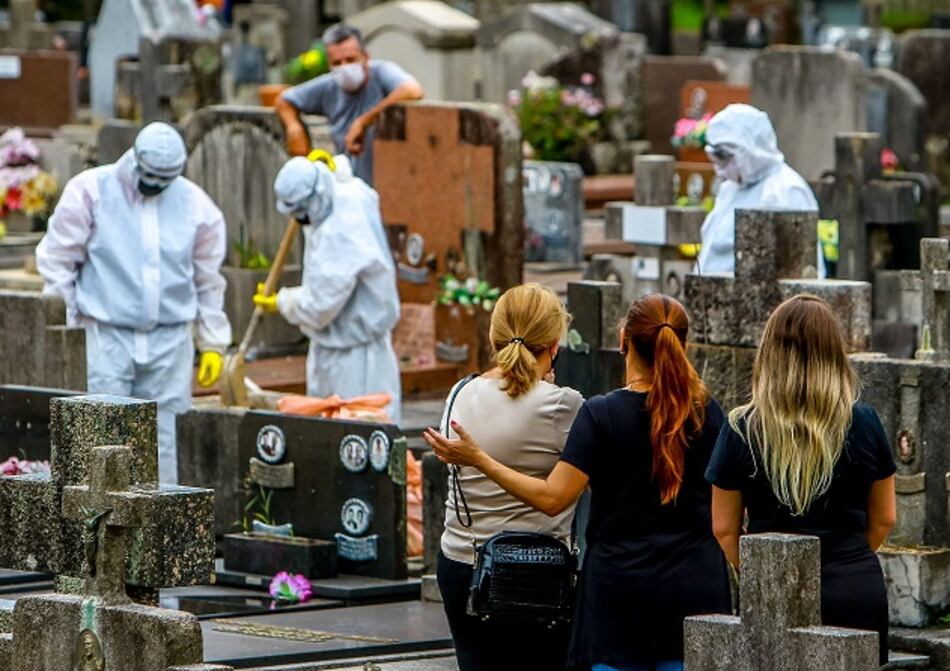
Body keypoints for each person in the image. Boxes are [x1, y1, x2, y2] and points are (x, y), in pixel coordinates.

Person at [426, 293, 733, 671]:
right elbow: (724, 521)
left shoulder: (600, 415)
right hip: (695, 585)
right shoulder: (709, 412)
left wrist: (479, 459)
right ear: (683, 345)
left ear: (623, 341)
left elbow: (555, 496)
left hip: (616, 592)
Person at [706, 294, 897, 665]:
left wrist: (766, 574)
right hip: (854, 586)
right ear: (833, 352)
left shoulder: (741, 428)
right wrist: (843, 562)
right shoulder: (865, 422)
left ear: (770, 352)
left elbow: (724, 528)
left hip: (772, 591)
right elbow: (885, 518)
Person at [36, 122, 231, 484]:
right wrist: (70, 327)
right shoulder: (92, 190)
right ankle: (96, 530)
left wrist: (213, 341)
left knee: (166, 435)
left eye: (164, 179)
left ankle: (162, 525)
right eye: (150, 175)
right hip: (105, 333)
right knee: (101, 433)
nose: (155, 185)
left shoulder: (196, 206)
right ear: (135, 159)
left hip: (170, 340)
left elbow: (208, 280)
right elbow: (58, 261)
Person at [420, 283, 583, 671]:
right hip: (537, 571)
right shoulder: (563, 404)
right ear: (554, 344)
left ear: (494, 338)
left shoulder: (460, 393)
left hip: (463, 562)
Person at [253, 155, 402, 422]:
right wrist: (329, 167)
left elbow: (319, 306)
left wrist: (282, 302)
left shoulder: (339, 235)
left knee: (352, 433)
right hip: (354, 345)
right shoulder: (350, 193)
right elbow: (348, 177)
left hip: (351, 359)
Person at [276, 23, 424, 186]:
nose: (344, 67)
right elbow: (284, 100)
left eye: (350, 60)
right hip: (348, 187)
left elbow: (412, 90)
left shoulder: (381, 72)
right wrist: (293, 128)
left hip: (389, 185)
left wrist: (364, 122)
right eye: (337, 63)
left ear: (365, 57)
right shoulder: (329, 86)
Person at [697, 103, 825, 277]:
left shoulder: (785, 190)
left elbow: (803, 269)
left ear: (750, 151)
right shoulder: (730, 190)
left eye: (724, 158)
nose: (719, 170)